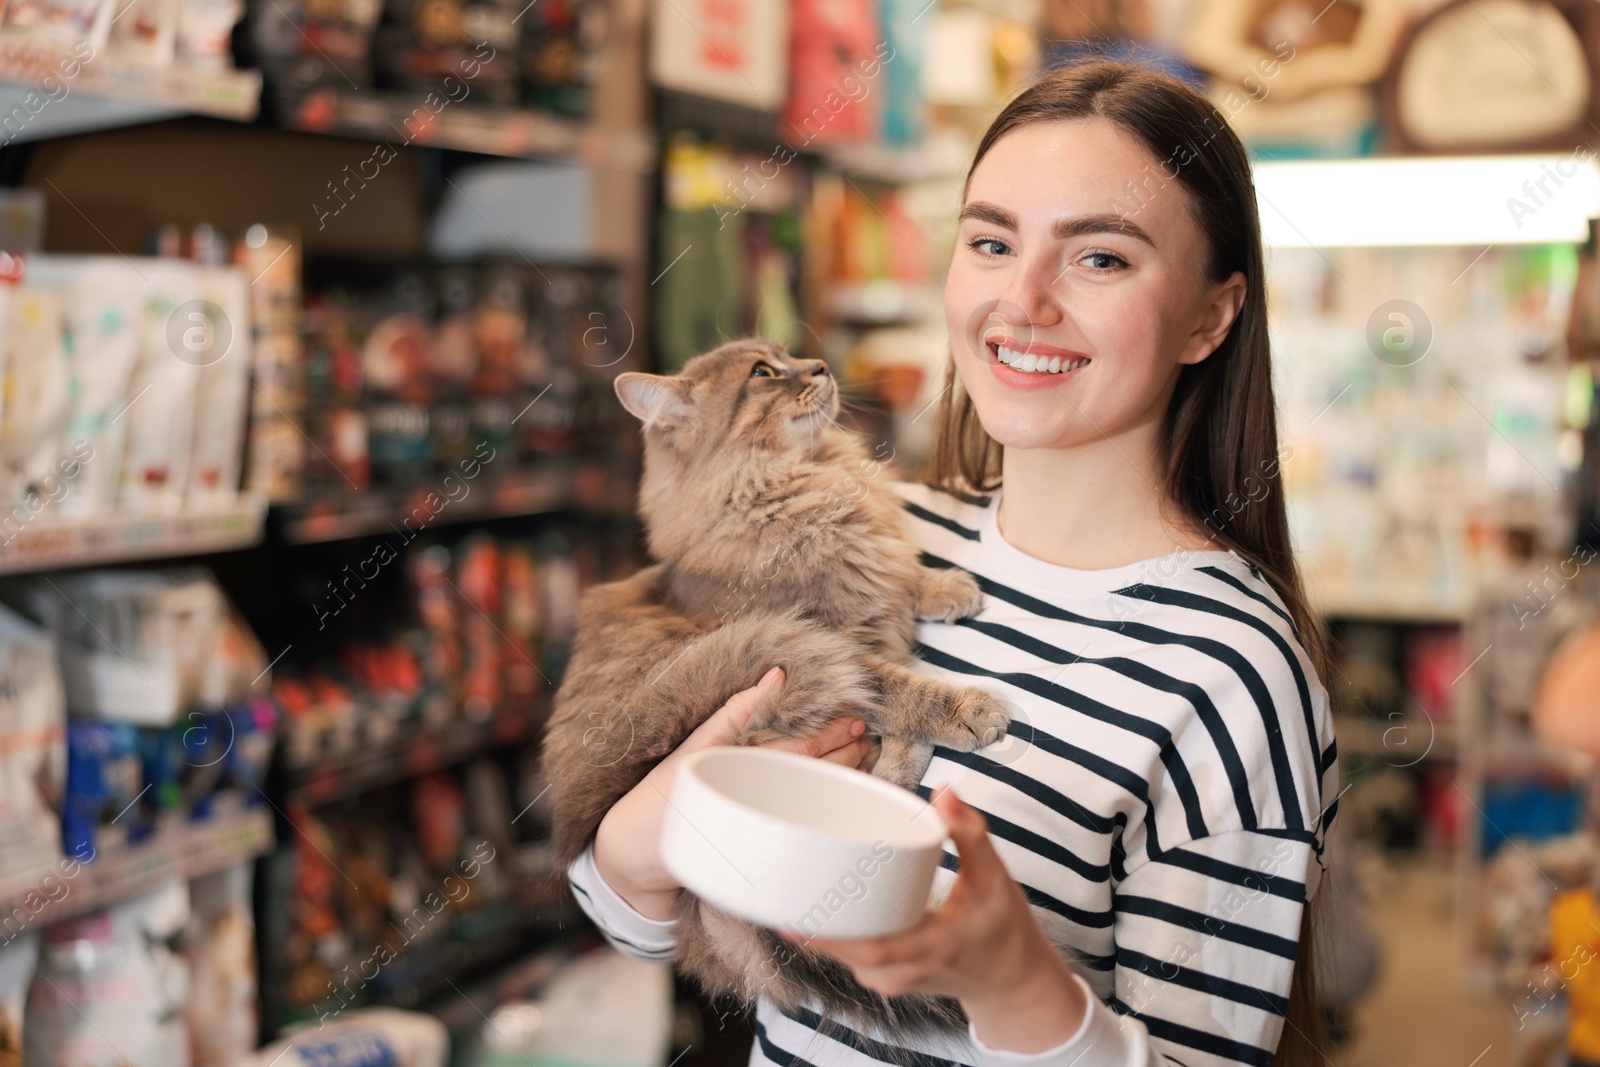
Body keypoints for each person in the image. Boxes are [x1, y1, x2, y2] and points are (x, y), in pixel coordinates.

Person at [565, 60, 1339, 1067]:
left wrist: (1016, 981)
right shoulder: (866, 534)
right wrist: (651, 817)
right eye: (990, 240)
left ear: (1210, 314)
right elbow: (636, 922)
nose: (1021, 300)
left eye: (1098, 258)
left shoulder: (1233, 672)